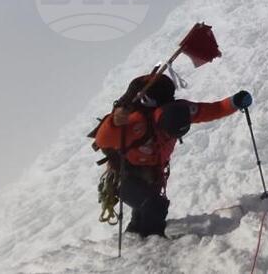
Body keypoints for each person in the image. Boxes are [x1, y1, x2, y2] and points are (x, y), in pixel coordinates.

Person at [94, 74, 253, 238]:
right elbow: (102, 140)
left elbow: (214, 109)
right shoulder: (136, 123)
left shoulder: (183, 110)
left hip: (152, 176)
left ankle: (136, 241)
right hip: (125, 177)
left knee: (144, 213)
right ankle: (153, 244)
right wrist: (113, 122)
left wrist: (235, 101)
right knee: (155, 206)